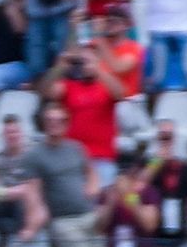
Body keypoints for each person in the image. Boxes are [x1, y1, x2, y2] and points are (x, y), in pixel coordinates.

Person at [23, 102, 104, 247]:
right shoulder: (35, 155)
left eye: (59, 120)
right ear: (43, 123)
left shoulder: (76, 148)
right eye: (50, 120)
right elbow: (34, 191)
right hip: (64, 221)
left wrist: (92, 187)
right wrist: (33, 222)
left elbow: (92, 172)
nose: (54, 125)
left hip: (89, 215)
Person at [42, 38, 127, 186]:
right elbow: (45, 91)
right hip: (72, 157)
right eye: (82, 61)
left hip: (101, 158)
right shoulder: (69, 86)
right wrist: (59, 68)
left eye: (88, 61)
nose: (84, 65)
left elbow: (120, 93)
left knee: (100, 200)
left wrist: (98, 69)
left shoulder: (105, 86)